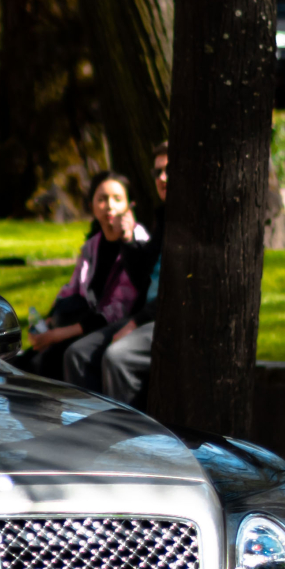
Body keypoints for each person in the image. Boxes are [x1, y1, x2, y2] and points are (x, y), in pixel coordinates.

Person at [24, 170, 145, 385]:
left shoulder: (138, 243)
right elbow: (72, 288)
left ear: (130, 206)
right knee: (23, 362)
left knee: (50, 361)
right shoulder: (94, 244)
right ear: (91, 206)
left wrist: (58, 334)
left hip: (112, 326)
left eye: (117, 199)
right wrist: (49, 321)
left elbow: (118, 309)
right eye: (102, 199)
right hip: (84, 321)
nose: (109, 206)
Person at [100, 144, 169, 405]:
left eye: (169, 170)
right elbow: (144, 278)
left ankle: (127, 440)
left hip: (165, 318)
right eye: (158, 172)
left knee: (115, 357)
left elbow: (172, 292)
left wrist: (135, 322)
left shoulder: (186, 220)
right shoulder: (163, 216)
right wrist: (126, 239)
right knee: (77, 353)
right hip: (147, 314)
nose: (162, 178)